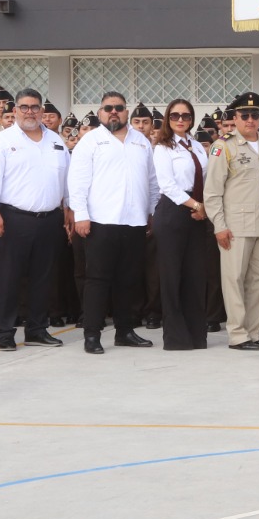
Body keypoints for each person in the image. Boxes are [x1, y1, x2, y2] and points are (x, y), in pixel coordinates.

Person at [68, 92, 160, 354]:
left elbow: (152, 181)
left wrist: (151, 212)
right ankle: (92, 334)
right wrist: (80, 215)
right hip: (101, 222)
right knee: (97, 280)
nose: (113, 112)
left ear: (126, 112)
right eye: (108, 108)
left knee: (128, 280)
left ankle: (124, 331)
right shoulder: (91, 141)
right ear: (100, 113)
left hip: (135, 222)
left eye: (119, 108)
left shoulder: (140, 141)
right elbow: (77, 181)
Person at [0, 88, 70, 351]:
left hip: (50, 218)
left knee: (43, 277)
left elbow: (66, 178)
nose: (30, 112)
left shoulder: (55, 140)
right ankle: (5, 332)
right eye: (24, 107)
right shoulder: (2, 141)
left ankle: (37, 330)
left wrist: (69, 208)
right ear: (15, 110)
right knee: (9, 277)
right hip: (13, 218)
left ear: (42, 110)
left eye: (35, 107)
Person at [205, 93, 259, 351]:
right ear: (234, 118)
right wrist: (219, 226)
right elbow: (212, 192)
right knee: (234, 280)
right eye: (244, 115)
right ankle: (237, 335)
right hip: (235, 227)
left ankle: (255, 332)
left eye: (255, 115)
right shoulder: (223, 147)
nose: (250, 120)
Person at [150, 99, 213, 350]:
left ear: (191, 119)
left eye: (185, 116)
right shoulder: (163, 147)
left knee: (195, 275)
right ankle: (176, 337)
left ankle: (196, 335)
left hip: (197, 213)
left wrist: (203, 207)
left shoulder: (196, 146)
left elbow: (206, 178)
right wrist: (196, 205)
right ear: (168, 118)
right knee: (172, 276)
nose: (180, 120)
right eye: (175, 115)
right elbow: (167, 185)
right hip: (173, 212)